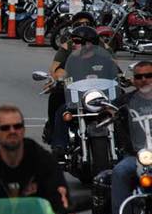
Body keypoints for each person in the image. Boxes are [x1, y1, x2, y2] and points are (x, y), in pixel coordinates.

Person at [50, 27, 119, 155]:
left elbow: (117, 74)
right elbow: (59, 72)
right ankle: (59, 145)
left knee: (123, 111)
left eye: (76, 42)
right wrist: (59, 79)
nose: (73, 45)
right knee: (62, 111)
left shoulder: (104, 59)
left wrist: (125, 79)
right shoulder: (71, 60)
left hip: (102, 99)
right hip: (79, 100)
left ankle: (124, 144)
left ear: (89, 44)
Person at [109, 61, 152, 214]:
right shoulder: (125, 100)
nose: (144, 80)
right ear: (133, 80)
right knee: (119, 171)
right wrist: (106, 112)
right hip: (136, 155)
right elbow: (108, 109)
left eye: (149, 76)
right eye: (139, 77)